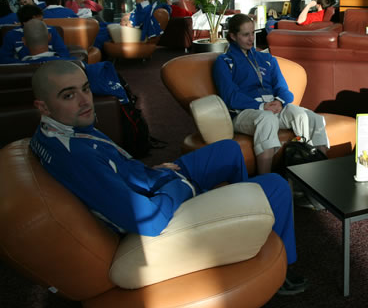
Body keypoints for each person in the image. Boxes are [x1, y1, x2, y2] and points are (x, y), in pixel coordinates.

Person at [29, 60, 308, 295]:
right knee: (276, 186)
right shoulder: (75, 156)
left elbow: (116, 171)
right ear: (43, 107)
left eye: (86, 88)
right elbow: (147, 220)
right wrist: (177, 185)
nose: (85, 100)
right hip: (161, 207)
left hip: (150, 181)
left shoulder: (58, 131)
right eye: (68, 95)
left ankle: (242, 224)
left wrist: (154, 172)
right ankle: (282, 268)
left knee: (229, 150)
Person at [213, 13, 329, 175]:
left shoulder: (267, 59)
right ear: (232, 36)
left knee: (312, 118)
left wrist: (279, 102)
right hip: (245, 112)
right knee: (267, 119)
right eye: (245, 35)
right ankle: (266, 179)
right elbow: (231, 97)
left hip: (274, 107)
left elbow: (284, 90)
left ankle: (318, 172)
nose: (251, 39)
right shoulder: (224, 62)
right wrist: (261, 106)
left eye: (252, 33)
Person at [0, 4, 70, 64]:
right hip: (24, 70)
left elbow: (64, 53)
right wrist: (26, 64)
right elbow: (3, 59)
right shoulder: (11, 35)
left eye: (42, 20)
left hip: (51, 66)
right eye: (40, 21)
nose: (42, 23)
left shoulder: (51, 30)